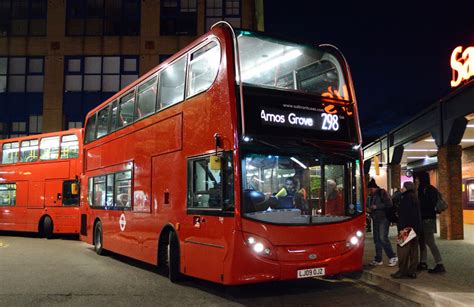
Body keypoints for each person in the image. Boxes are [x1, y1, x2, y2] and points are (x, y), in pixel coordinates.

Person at [415, 172, 446, 273]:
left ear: (422, 179)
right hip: (423, 219)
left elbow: (430, 204)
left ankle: (439, 264)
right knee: (422, 241)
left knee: (430, 242)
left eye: (417, 178)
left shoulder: (427, 189)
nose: (416, 180)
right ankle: (423, 262)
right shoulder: (422, 189)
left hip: (428, 219)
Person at [391, 181, 422, 279]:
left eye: (403, 187)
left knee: (402, 250)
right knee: (414, 251)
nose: (401, 189)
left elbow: (403, 215)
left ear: (406, 188)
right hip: (416, 228)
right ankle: (412, 271)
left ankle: (402, 271)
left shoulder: (405, 199)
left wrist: (401, 229)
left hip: (406, 229)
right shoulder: (415, 198)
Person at [367, 178, 398, 267]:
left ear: (375, 188)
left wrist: (376, 206)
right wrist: (369, 209)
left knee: (382, 238)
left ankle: (392, 256)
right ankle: (378, 259)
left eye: (371, 189)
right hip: (375, 219)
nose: (370, 191)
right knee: (377, 240)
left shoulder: (382, 192)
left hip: (383, 219)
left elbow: (389, 204)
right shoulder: (371, 195)